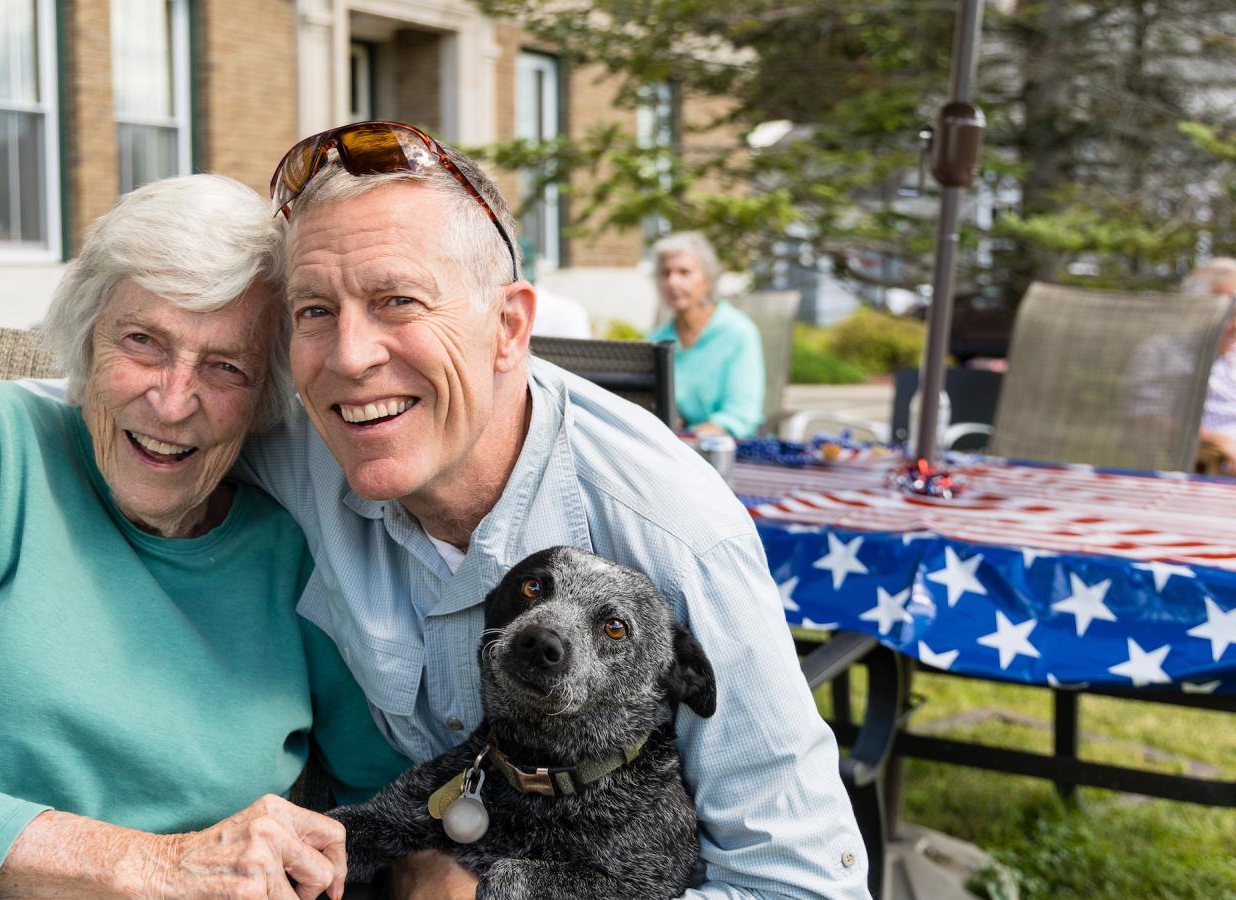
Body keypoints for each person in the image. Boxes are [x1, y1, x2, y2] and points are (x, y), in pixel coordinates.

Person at [245, 120, 868, 898]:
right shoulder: (310, 440)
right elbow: (128, 405)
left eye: (396, 300)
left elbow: (807, 883)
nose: (349, 356)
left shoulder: (673, 534)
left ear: (508, 327)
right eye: (313, 311)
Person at [0, 175, 408, 900]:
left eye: (225, 367)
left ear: (269, 391)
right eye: (143, 342)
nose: (174, 400)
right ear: (88, 335)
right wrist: (161, 867)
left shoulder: (292, 550)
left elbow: (391, 809)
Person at [646, 232, 765, 437]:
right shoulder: (655, 339)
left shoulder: (738, 332)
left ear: (707, 280)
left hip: (724, 452)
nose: (672, 282)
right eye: (665, 273)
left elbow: (741, 416)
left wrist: (688, 437)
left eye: (684, 272)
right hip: (671, 449)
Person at [1186, 257, 1236, 474]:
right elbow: (1150, 421)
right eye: (1230, 310)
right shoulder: (1166, 355)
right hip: (1210, 466)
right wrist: (1218, 441)